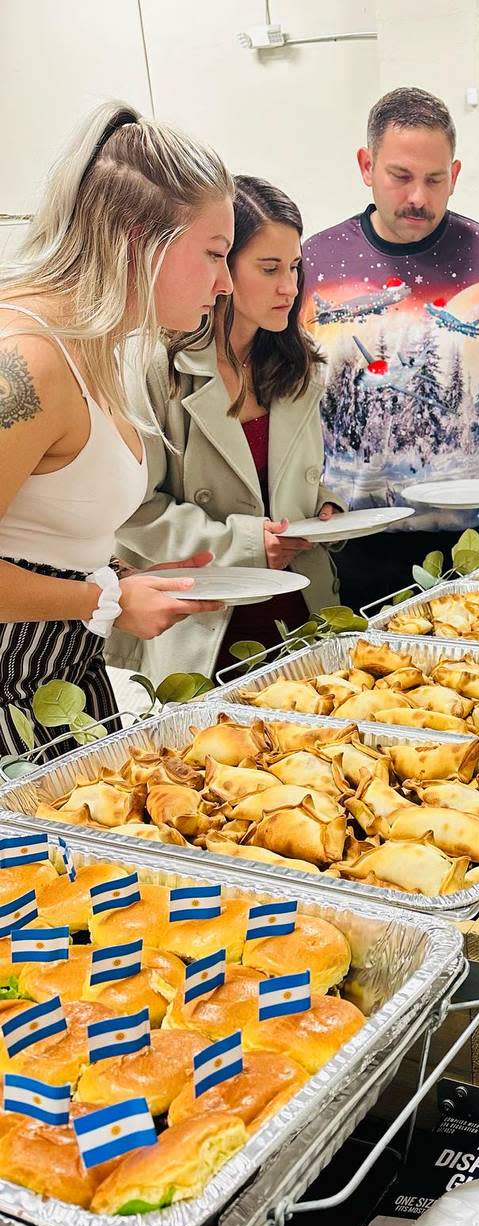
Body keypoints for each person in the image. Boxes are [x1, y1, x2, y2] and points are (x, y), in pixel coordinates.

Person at [0, 103, 231, 756]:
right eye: (213, 254)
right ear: (139, 239)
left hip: (64, 677)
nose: (224, 283)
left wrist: (125, 572)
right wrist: (103, 598)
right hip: (13, 699)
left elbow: (39, 525)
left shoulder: (101, 345)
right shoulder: (27, 358)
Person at [302, 88, 479, 612]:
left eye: (435, 179)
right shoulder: (313, 266)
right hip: (344, 538)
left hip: (470, 540)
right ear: (366, 165)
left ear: (455, 171)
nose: (418, 198)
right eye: (400, 176)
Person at [110, 175, 341, 681]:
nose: (290, 286)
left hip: (301, 609)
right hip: (207, 624)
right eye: (270, 268)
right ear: (222, 269)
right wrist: (244, 542)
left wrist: (325, 508)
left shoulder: (299, 362)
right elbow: (131, 510)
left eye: (296, 267)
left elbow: (289, 476)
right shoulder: (155, 365)